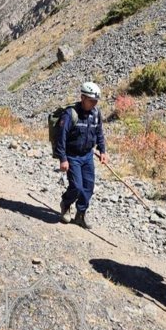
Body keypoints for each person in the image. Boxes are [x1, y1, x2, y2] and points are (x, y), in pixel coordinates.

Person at [55, 82, 108, 229]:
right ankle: (66, 203)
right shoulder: (70, 114)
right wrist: (63, 159)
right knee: (77, 187)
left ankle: (80, 215)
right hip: (72, 156)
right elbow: (61, 138)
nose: (94, 103)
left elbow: (99, 134)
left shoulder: (96, 114)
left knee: (88, 187)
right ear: (82, 97)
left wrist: (102, 151)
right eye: (91, 100)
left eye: (96, 101)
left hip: (87, 156)